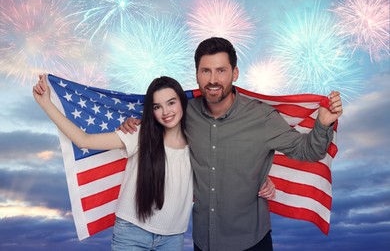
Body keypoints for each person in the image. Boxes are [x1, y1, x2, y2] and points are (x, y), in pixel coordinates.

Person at [120, 37, 343, 251]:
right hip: (203, 241)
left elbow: (310, 151)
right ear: (197, 74)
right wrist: (134, 123)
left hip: (251, 241)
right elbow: (159, 123)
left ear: (235, 73)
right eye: (205, 71)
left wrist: (322, 124)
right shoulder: (185, 113)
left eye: (221, 70)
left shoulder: (262, 117)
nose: (213, 79)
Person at [33, 74, 193, 250]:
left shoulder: (198, 141)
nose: (166, 112)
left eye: (171, 103)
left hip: (173, 238)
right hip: (131, 233)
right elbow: (84, 140)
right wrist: (46, 104)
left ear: (182, 102)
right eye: (157, 106)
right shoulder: (139, 134)